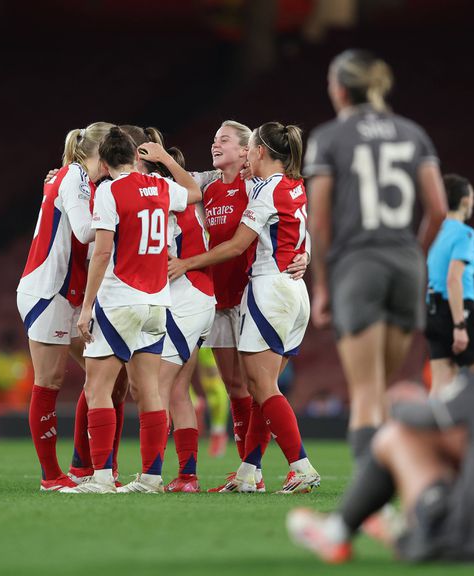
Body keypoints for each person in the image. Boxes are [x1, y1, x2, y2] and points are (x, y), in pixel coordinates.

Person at [287, 306, 474, 565]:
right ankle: (396, 524)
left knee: (397, 436)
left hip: (468, 544)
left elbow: (412, 418)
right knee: (462, 444)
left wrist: (405, 399)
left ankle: (338, 531)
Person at [304, 50, 447, 467]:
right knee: (384, 384)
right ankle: (397, 484)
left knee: (365, 391)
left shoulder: (329, 137)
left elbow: (320, 221)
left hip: (357, 264)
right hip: (405, 263)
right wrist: (412, 256)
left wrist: (323, 285)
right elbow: (437, 209)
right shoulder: (413, 133)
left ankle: (367, 505)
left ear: (342, 90)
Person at [169, 122, 321, 494]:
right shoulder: (293, 184)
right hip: (294, 291)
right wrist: (304, 254)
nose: (249, 154)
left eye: (250, 146)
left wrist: (189, 263)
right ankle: (249, 472)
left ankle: (301, 466)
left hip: (267, 289)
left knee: (262, 386)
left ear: (258, 152)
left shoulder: (263, 189)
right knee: (256, 388)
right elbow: (300, 226)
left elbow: (239, 245)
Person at [61, 127, 201, 494]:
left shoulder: (109, 190)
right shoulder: (159, 186)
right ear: (136, 157)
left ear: (105, 163)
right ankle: (152, 478)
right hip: (158, 302)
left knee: (97, 387)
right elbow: (194, 193)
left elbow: (103, 252)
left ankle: (103, 477)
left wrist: (86, 306)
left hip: (120, 299)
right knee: (149, 390)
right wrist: (168, 162)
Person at [16, 121, 112, 491]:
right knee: (50, 381)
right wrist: (122, 221)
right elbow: (86, 231)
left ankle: (81, 465)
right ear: (100, 151)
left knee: (100, 371)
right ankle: (50, 475)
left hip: (65, 292)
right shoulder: (73, 177)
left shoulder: (78, 180)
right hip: (48, 291)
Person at [147, 144, 216, 493]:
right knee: (178, 392)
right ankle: (187, 476)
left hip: (186, 297)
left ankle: (151, 475)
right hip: (202, 297)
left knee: (157, 386)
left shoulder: (165, 202)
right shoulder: (191, 204)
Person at [425, 174, 474, 390]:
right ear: (465, 201)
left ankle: (430, 424)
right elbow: (453, 279)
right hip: (456, 311)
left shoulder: (434, 233)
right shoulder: (464, 235)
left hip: (433, 310)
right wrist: (460, 325)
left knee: (441, 384)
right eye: (473, 197)